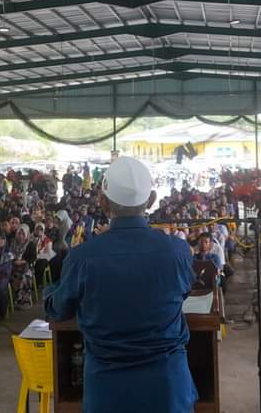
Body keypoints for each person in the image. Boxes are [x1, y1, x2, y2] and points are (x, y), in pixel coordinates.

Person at [45, 156, 197, 413]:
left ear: (102, 201)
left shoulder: (83, 257)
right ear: (150, 200)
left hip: (108, 391)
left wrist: (50, 290)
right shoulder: (178, 251)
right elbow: (183, 292)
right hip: (168, 389)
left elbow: (57, 309)